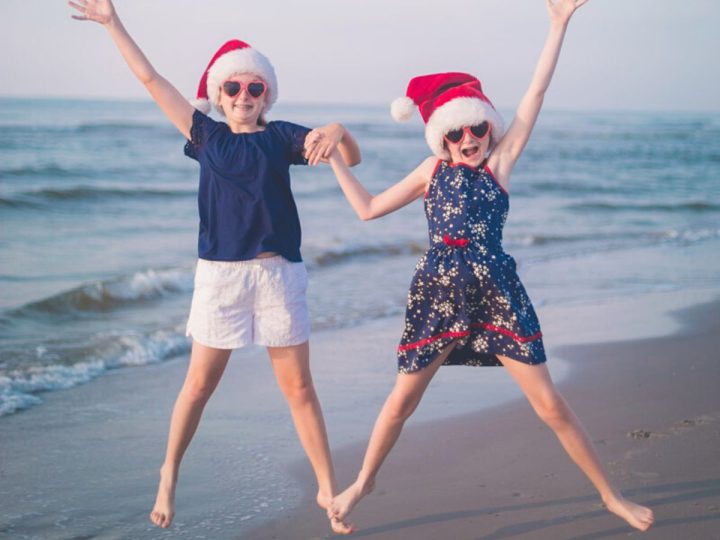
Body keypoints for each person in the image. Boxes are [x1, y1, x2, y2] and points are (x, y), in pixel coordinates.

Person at [325, 0, 654, 533]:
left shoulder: (500, 163)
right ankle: (363, 483)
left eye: (475, 127)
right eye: (454, 134)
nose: (467, 140)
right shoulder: (431, 170)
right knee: (400, 403)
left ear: (487, 124)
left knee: (550, 406)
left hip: (499, 292)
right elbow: (366, 210)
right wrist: (337, 155)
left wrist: (557, 25)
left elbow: (536, 95)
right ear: (440, 138)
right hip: (438, 295)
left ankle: (611, 496)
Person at [69, 0, 359, 533]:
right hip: (221, 279)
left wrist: (337, 127)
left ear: (266, 94)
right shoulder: (206, 136)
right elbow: (151, 78)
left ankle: (326, 489)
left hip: (279, 278)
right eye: (234, 88)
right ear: (219, 94)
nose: (244, 97)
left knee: (300, 390)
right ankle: (169, 472)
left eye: (254, 88)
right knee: (199, 387)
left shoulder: (283, 137)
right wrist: (114, 23)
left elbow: (351, 158)